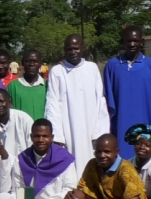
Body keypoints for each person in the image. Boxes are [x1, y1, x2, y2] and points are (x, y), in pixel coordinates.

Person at [103, 27, 151, 163]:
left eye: (135, 40)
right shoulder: (112, 66)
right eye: (128, 40)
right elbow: (107, 102)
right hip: (121, 125)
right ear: (123, 42)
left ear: (141, 42)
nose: (132, 44)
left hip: (148, 122)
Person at [46, 34, 110, 175]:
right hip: (67, 129)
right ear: (64, 49)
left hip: (90, 129)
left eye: (76, 48)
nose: (73, 52)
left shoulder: (92, 68)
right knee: (69, 169)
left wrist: (100, 132)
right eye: (69, 49)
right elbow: (52, 104)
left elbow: (100, 100)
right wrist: (57, 136)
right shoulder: (57, 71)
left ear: (83, 49)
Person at [0, 89, 33, 158]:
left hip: (22, 164)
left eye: (1, 101)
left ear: (10, 103)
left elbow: (32, 146)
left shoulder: (24, 119)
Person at [7, 49, 46, 121]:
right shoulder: (13, 86)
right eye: (28, 61)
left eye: (35, 61)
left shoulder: (47, 85)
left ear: (40, 64)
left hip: (43, 131)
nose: (31, 64)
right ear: (22, 64)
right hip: (20, 131)